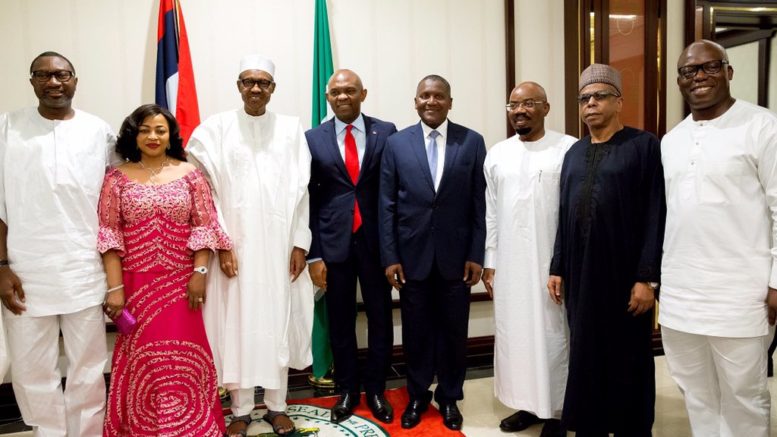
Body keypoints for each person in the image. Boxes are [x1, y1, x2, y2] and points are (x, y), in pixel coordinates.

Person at [187, 54, 314, 437]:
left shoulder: (291, 129)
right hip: (234, 249)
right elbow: (204, 195)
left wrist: (299, 243)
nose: (255, 88)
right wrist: (223, 244)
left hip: (279, 247)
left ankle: (277, 406)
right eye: (248, 81)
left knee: (276, 321)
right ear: (238, 86)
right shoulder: (215, 130)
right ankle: (240, 409)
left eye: (263, 82)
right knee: (236, 324)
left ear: (273, 88)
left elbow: (302, 193)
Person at [660, 39, 777, 437]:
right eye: (688, 71)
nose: (698, 76)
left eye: (709, 67)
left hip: (741, 294)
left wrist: (776, 282)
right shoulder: (671, 140)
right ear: (679, 81)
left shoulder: (762, 126)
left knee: (744, 395)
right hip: (681, 295)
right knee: (695, 391)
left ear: (728, 71)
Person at [547, 63, 666, 436]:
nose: (591, 104)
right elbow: (564, 213)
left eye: (600, 96)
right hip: (581, 276)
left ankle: (631, 428)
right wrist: (557, 266)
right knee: (585, 354)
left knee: (628, 357)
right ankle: (590, 426)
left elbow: (655, 213)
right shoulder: (574, 153)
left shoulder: (643, 146)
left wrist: (647, 278)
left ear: (619, 102)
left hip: (624, 277)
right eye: (584, 98)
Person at [0, 51, 115, 436]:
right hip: (25, 271)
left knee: (88, 366)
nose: (53, 82)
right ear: (31, 81)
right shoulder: (7, 128)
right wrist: (1, 266)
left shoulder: (98, 131)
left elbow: (115, 199)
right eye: (43, 75)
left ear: (75, 81)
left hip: (84, 268)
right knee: (32, 368)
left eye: (62, 75)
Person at [98, 104, 230, 436]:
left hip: (182, 284)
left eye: (160, 130)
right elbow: (109, 235)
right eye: (144, 130)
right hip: (135, 285)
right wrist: (115, 289)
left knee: (184, 356)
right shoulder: (116, 178)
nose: (153, 136)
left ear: (171, 135)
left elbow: (204, 227)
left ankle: (191, 428)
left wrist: (199, 274)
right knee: (144, 360)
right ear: (133, 135)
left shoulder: (190, 174)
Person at [379, 74, 486, 431]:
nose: (431, 101)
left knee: (455, 333)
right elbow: (387, 205)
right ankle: (417, 395)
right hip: (412, 259)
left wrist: (476, 254)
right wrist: (390, 257)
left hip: (457, 259)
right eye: (424, 95)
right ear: (415, 102)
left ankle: (450, 397)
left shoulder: (472, 142)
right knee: (416, 333)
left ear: (450, 102)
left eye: (439, 96)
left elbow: (479, 203)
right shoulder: (396, 144)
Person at [482, 81, 575, 437]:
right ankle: (526, 404)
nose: (520, 110)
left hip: (553, 264)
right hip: (510, 264)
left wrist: (564, 263)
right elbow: (491, 212)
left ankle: (558, 412)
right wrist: (490, 261)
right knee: (516, 336)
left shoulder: (567, 149)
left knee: (554, 336)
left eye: (529, 103)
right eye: (513, 105)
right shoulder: (497, 154)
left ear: (546, 108)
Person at [306, 69, 397, 424]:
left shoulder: (386, 132)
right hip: (333, 246)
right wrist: (314, 253)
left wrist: (394, 250)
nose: (343, 96)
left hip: (377, 244)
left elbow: (394, 191)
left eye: (350, 90)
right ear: (328, 97)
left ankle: (376, 389)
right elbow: (310, 200)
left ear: (363, 94)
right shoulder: (312, 138)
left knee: (380, 319)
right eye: (336, 92)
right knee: (341, 321)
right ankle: (347, 390)